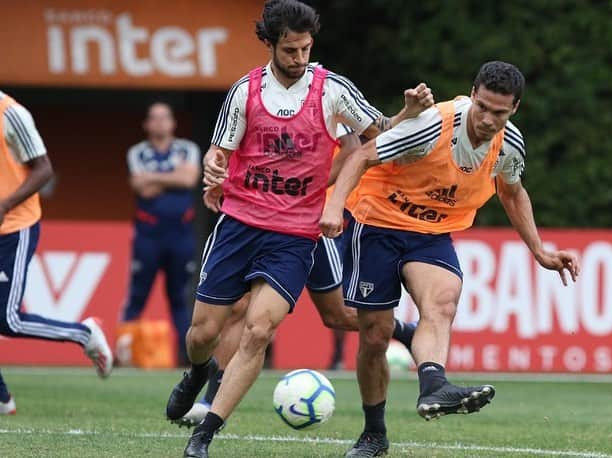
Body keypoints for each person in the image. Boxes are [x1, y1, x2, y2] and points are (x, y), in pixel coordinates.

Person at [163, 1, 432, 456]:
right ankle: (196, 372)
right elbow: (218, 153)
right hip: (239, 225)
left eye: (306, 48)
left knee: (258, 331)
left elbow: (377, 132)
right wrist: (213, 169)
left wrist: (406, 114)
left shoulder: (333, 90)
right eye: (290, 49)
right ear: (270, 44)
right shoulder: (244, 92)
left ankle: (203, 434)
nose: (300, 58)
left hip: (294, 235)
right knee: (202, 334)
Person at [320, 61, 581, 456]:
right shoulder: (432, 125)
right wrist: (334, 208)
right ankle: (374, 433)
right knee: (374, 335)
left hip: (430, 234)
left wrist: (540, 251)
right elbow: (361, 158)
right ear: (472, 94)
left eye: (500, 112)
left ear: (515, 109)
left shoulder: (509, 142)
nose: (489, 120)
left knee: (442, 301)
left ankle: (434, 385)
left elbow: (512, 192)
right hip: (377, 222)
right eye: (483, 107)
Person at [175, 126, 417, 427]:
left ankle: (402, 330)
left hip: (310, 224)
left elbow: (370, 135)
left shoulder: (328, 96)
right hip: (262, 222)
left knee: (337, 315)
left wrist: (323, 196)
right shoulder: (262, 97)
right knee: (239, 308)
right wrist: (229, 183)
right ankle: (212, 401)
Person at [0, 90, 113, 414]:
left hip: (14, 226)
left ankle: (84, 334)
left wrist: (5, 203)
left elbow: (44, 169)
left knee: (6, 319)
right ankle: (2, 398)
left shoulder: (11, 114)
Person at [121, 102, 201, 366]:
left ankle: (187, 356)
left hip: (180, 234)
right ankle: (123, 354)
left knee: (180, 296)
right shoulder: (137, 152)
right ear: (146, 124)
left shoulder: (187, 148)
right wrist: (171, 176)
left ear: (172, 122)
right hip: (148, 234)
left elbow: (189, 180)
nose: (159, 123)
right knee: (137, 295)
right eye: (153, 118)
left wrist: (154, 178)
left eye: (164, 118)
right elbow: (139, 187)